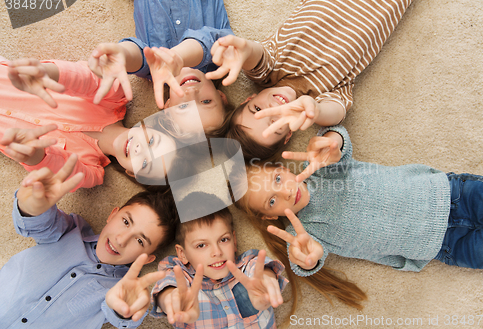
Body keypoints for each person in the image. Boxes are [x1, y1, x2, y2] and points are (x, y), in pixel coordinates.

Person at [236, 124, 483, 305]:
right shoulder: (300, 234)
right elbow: (305, 261)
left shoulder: (319, 168)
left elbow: (338, 140)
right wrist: (307, 259)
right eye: (272, 200)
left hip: (448, 193)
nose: (284, 192)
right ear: (269, 217)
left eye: (279, 179)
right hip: (444, 245)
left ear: (284, 168)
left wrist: (331, 141)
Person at [207, 0, 416, 160]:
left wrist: (243, 51)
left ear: (248, 99)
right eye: (277, 124)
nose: (276, 109)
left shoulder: (268, 71)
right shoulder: (319, 100)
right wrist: (315, 112)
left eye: (259, 110)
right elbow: (336, 111)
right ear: (289, 135)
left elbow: (256, 56)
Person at [0, 155, 179, 328]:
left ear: (148, 259)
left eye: (140, 240)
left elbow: (123, 315)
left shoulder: (120, 289)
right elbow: (40, 224)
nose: (121, 240)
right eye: (125, 222)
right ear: (113, 214)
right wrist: (31, 206)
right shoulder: (70, 230)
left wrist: (125, 310)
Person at [0, 57, 190, 189]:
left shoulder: (91, 174)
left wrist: (33, 155)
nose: (140, 149)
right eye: (151, 142)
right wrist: (48, 73)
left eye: (146, 163)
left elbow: (59, 170)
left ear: (132, 173)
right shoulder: (115, 96)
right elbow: (86, 79)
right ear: (147, 125)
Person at [89, 0, 234, 135]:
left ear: (169, 107)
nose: (191, 93)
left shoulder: (156, 71)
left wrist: (123, 54)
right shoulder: (222, 57)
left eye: (184, 106)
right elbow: (210, 40)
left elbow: (140, 56)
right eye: (206, 101)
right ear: (221, 97)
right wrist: (178, 57)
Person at [147, 194, 288, 328]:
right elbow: (166, 287)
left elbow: (260, 269)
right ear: (182, 254)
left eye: (223, 240)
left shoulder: (246, 264)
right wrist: (171, 299)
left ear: (234, 241)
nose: (217, 252)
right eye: (201, 245)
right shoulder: (180, 275)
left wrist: (266, 280)